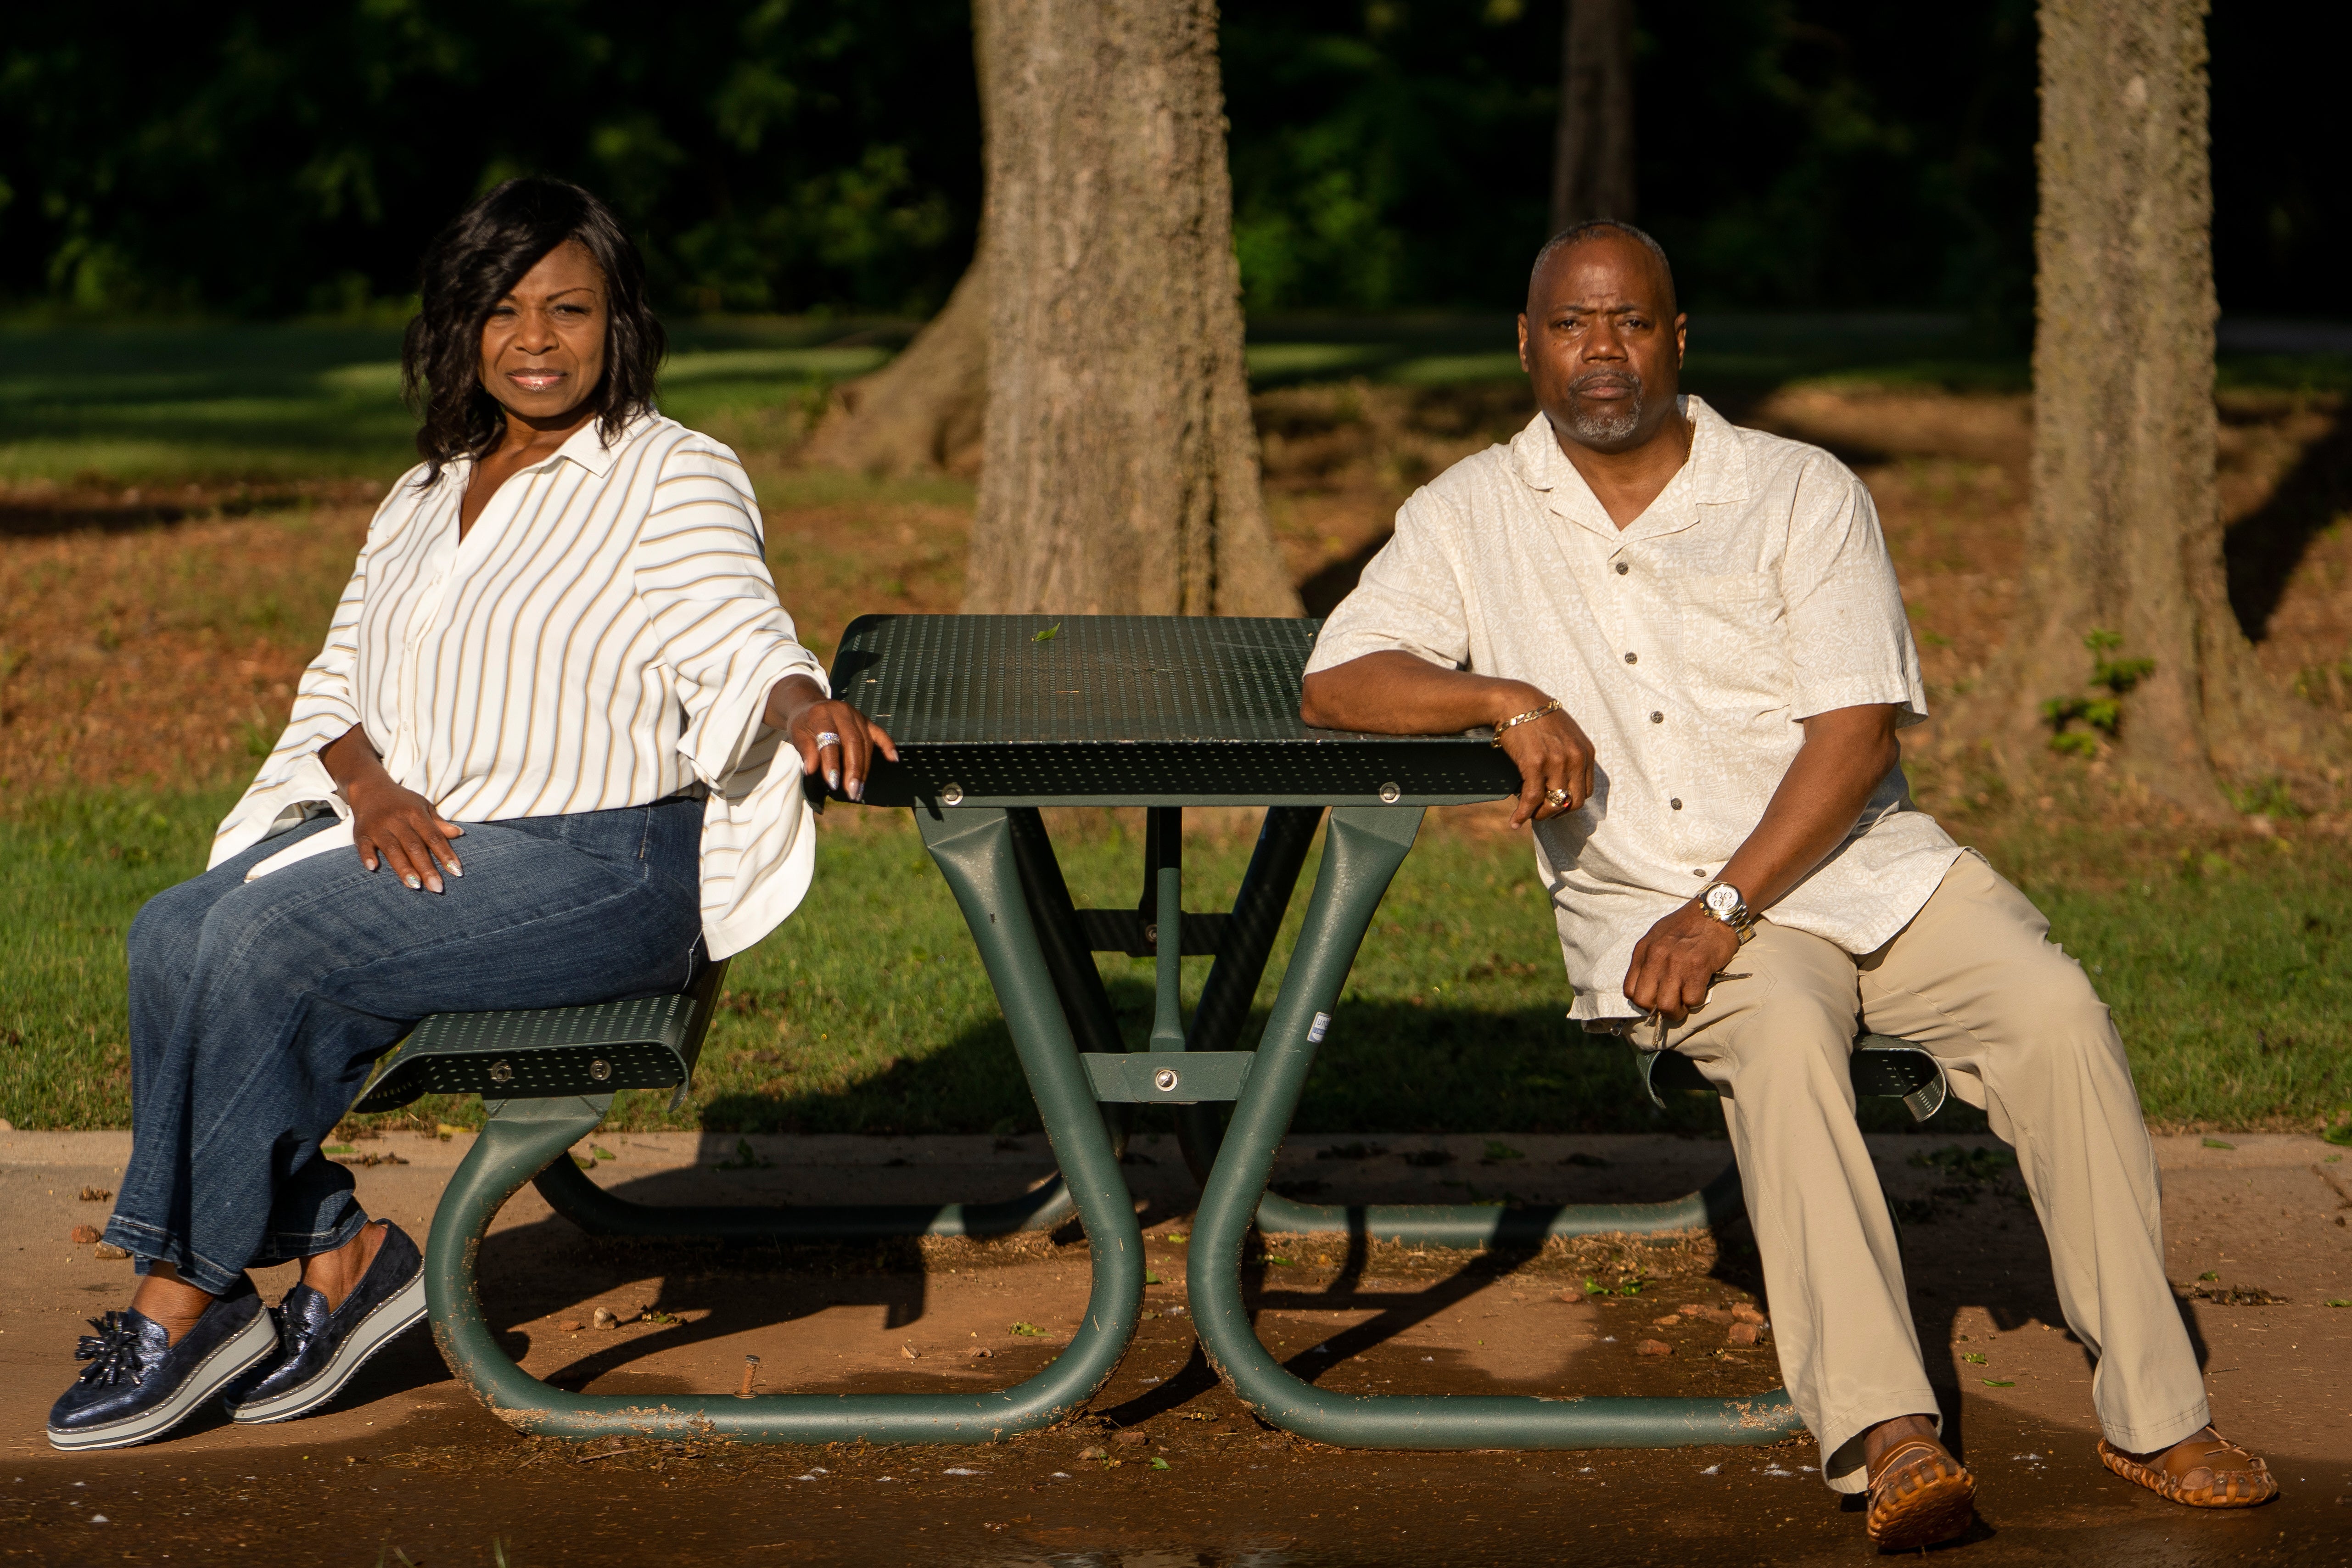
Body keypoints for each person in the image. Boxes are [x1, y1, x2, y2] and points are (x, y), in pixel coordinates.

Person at [1298, 219, 2277, 1550]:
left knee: (2053, 1012)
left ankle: (2158, 1411)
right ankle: (1887, 1430)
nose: (1602, 350)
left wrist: (1724, 908)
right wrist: (1502, 696)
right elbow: (1339, 679)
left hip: (1859, 872)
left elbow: (1855, 734)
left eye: (1631, 322)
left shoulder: (1797, 489)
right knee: (1784, 1037)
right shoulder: (1469, 513)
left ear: (1677, 337)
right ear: (1524, 346)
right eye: (1573, 325)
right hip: (1654, 899)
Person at [47, 177, 895, 1451]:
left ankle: (186, 1296)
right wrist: (370, 784)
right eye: (502, 310)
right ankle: (342, 1253)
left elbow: (738, 628)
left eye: (568, 308)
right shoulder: (423, 491)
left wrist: (799, 707)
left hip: (600, 867)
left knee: (267, 946)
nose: (536, 340)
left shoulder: (670, 472)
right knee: (173, 930)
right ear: (461, 328)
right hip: (434, 843)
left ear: (620, 323)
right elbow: (336, 683)